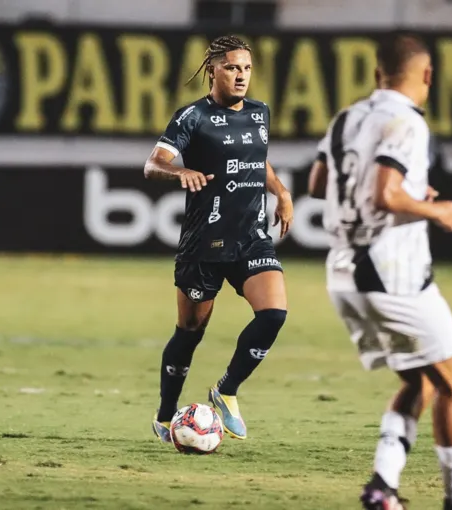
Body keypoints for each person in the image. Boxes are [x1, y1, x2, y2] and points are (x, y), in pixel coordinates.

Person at [308, 34, 452, 510]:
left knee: (421, 380)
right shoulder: (407, 122)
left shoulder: (347, 117)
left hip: (343, 273)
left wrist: (408, 192)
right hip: (391, 272)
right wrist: (437, 210)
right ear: (427, 75)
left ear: (376, 74)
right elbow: (386, 194)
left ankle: (382, 488)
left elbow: (318, 183)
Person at [143, 35, 293, 442]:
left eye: (246, 68)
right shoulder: (192, 117)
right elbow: (153, 164)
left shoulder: (260, 113)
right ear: (213, 70)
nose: (241, 75)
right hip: (204, 242)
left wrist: (280, 191)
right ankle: (164, 415)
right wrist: (180, 173)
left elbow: (256, 157)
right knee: (190, 332)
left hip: (250, 238)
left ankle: (226, 391)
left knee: (274, 313)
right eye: (232, 68)